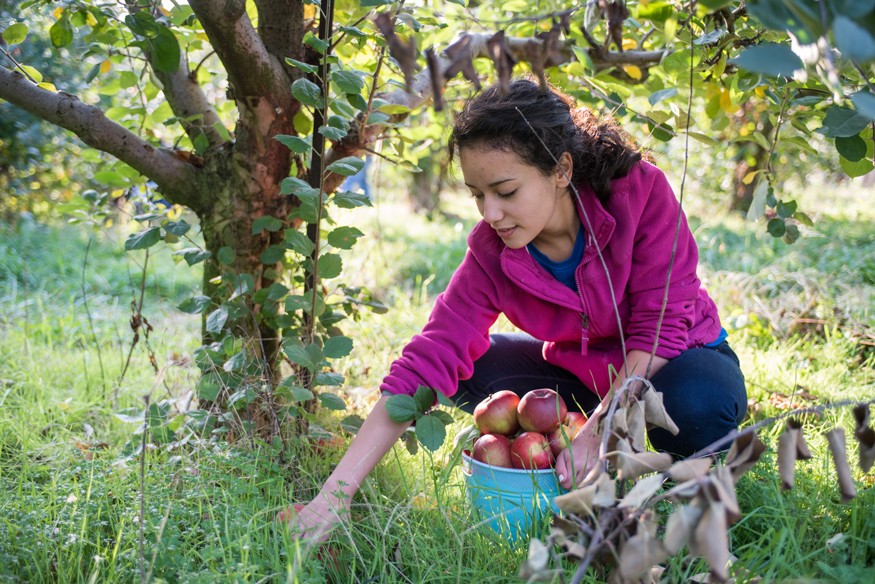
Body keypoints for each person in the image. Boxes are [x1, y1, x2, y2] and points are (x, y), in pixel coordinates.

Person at [287, 78, 747, 541]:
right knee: (463, 368)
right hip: (583, 376)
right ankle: (567, 434)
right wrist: (336, 495)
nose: (490, 213)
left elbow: (661, 327)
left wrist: (600, 430)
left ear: (561, 169)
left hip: (677, 361)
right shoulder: (492, 250)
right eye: (476, 194)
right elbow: (430, 356)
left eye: (505, 191)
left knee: (695, 407)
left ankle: (668, 460)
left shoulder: (639, 193)